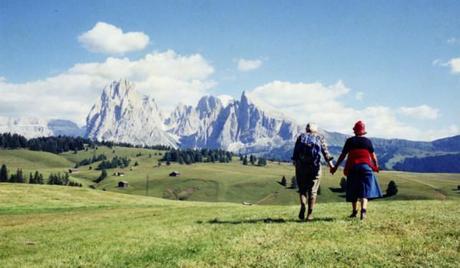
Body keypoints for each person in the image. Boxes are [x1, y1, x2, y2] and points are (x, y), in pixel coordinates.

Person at [330, 120, 382, 220]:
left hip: (353, 167)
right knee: (365, 191)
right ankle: (363, 211)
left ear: (354, 131)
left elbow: (342, 155)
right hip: (366, 168)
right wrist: (376, 166)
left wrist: (335, 167)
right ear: (363, 131)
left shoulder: (350, 141)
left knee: (353, 189)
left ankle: (354, 212)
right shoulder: (368, 141)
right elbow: (373, 156)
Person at [292, 123, 334, 221]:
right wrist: (331, 165)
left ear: (307, 129)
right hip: (315, 167)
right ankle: (310, 214)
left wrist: (297, 164)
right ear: (315, 130)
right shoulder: (319, 137)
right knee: (313, 191)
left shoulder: (301, 137)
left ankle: (303, 205)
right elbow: (325, 153)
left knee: (302, 189)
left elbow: (295, 154)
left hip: (301, 166)